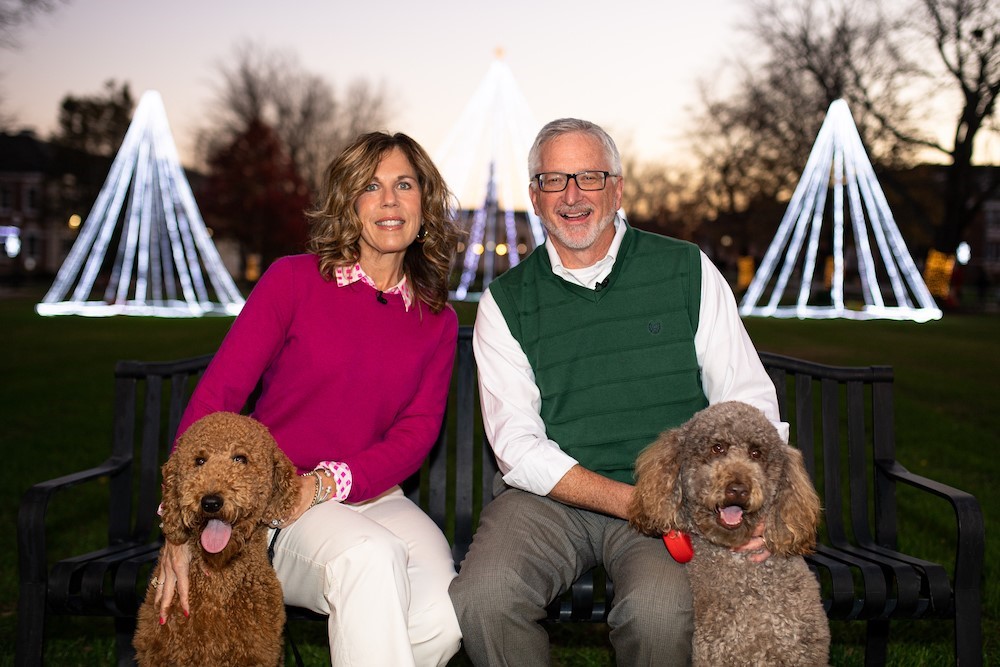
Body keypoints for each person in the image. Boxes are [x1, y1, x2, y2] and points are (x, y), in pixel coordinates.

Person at [449, 118, 788, 665]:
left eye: (589, 176)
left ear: (618, 186)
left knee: (658, 611)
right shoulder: (506, 303)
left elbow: (745, 399)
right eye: (554, 180)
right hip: (551, 500)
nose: (573, 195)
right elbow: (517, 446)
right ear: (535, 196)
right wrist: (637, 503)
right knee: (483, 598)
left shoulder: (684, 270)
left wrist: (756, 500)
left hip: (673, 489)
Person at [153, 131, 464, 667]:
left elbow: (416, 435)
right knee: (369, 559)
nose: (389, 200)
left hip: (373, 495)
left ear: (424, 203)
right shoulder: (293, 281)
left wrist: (330, 482)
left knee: (444, 614)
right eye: (371, 186)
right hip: (280, 498)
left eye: (404, 184)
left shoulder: (437, 317)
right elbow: (218, 395)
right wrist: (179, 522)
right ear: (349, 204)